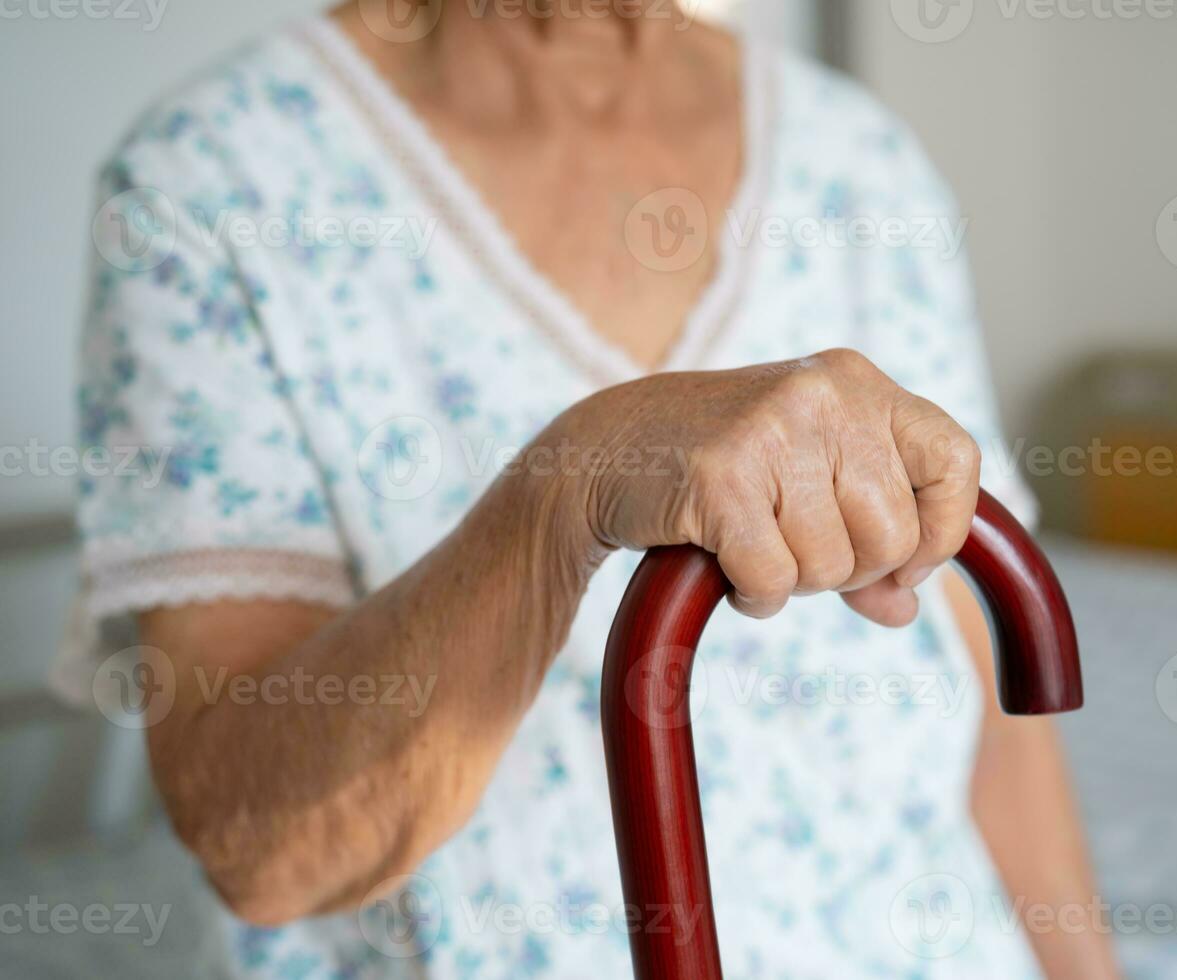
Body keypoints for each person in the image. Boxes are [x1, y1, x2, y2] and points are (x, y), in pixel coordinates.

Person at [61, 1, 1119, 975]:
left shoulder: (861, 163)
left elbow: (994, 719)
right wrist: (564, 492)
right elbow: (263, 849)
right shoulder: (211, 183)